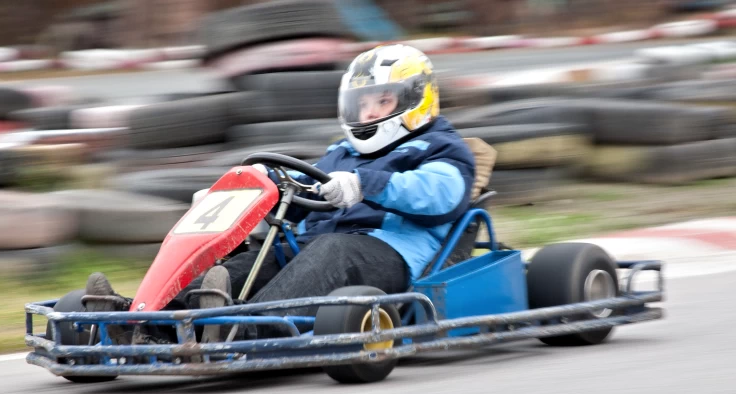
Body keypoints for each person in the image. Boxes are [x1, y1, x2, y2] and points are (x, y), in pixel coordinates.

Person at [86, 44, 476, 335]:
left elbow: (439, 194)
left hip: (391, 252)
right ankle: (152, 321)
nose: (369, 114)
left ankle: (245, 328)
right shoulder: (341, 152)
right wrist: (261, 190)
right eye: (362, 104)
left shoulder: (440, 147)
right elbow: (307, 190)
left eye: (382, 101)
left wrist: (365, 184)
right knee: (254, 260)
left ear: (416, 99)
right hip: (317, 247)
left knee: (331, 250)